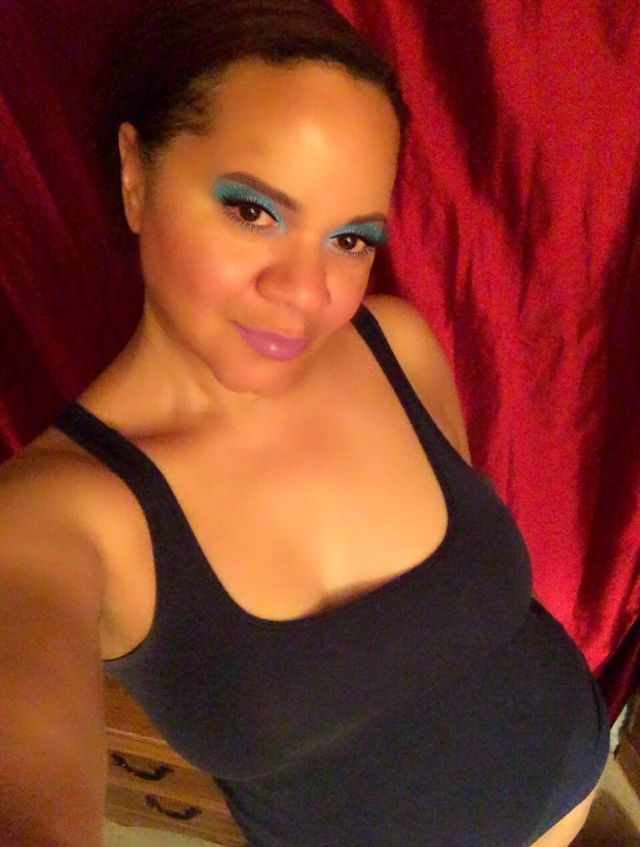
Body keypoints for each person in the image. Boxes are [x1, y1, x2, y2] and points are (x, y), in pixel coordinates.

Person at [0, 1, 611, 845]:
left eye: (351, 239)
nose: (305, 291)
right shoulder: (55, 513)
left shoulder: (395, 344)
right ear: (136, 175)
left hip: (576, 772)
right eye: (254, 211)